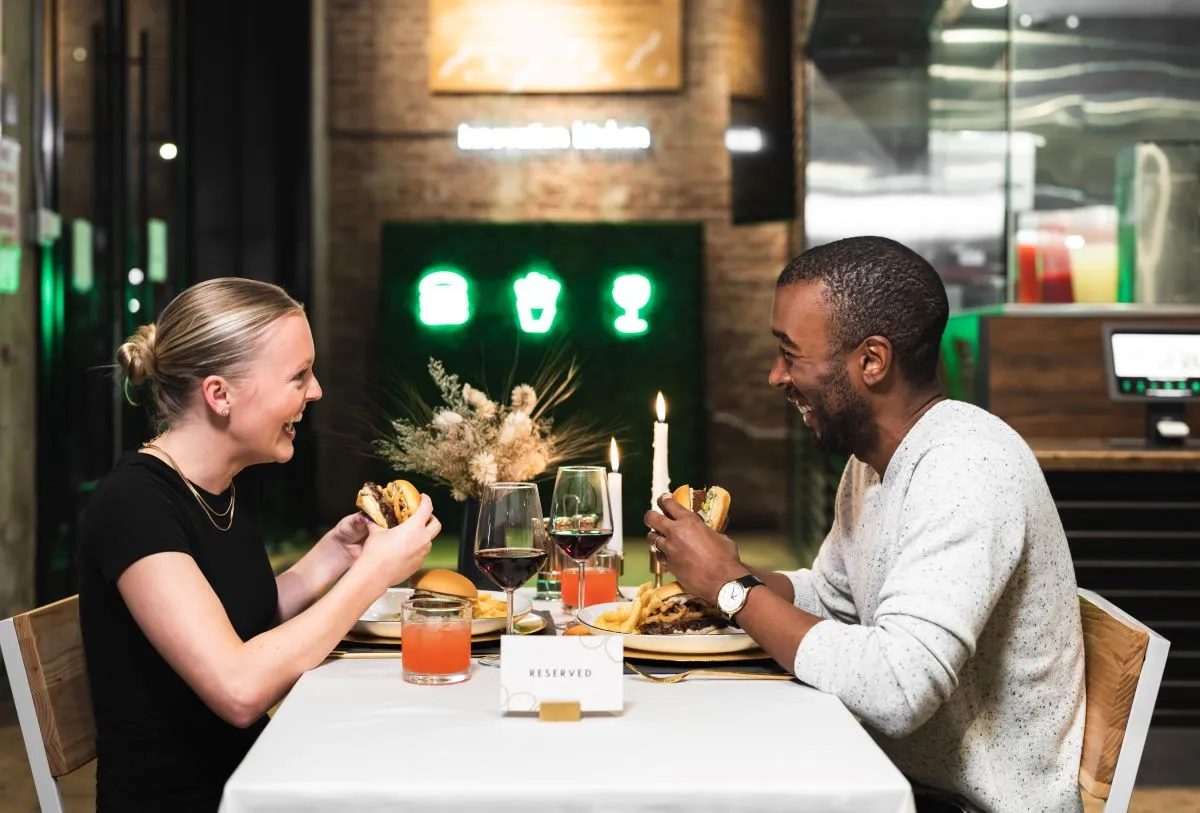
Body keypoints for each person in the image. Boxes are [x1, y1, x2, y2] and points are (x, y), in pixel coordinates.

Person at [645, 236, 1085, 813]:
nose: (776, 376)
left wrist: (731, 587)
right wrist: (715, 567)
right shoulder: (872, 463)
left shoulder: (967, 465)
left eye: (791, 353)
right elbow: (830, 600)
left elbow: (900, 689)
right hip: (889, 775)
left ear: (871, 361)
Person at [78, 278, 441, 812]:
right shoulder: (133, 505)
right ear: (219, 394)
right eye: (298, 375)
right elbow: (239, 688)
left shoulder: (220, 486)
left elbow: (245, 615)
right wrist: (372, 577)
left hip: (256, 776)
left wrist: (338, 554)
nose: (315, 391)